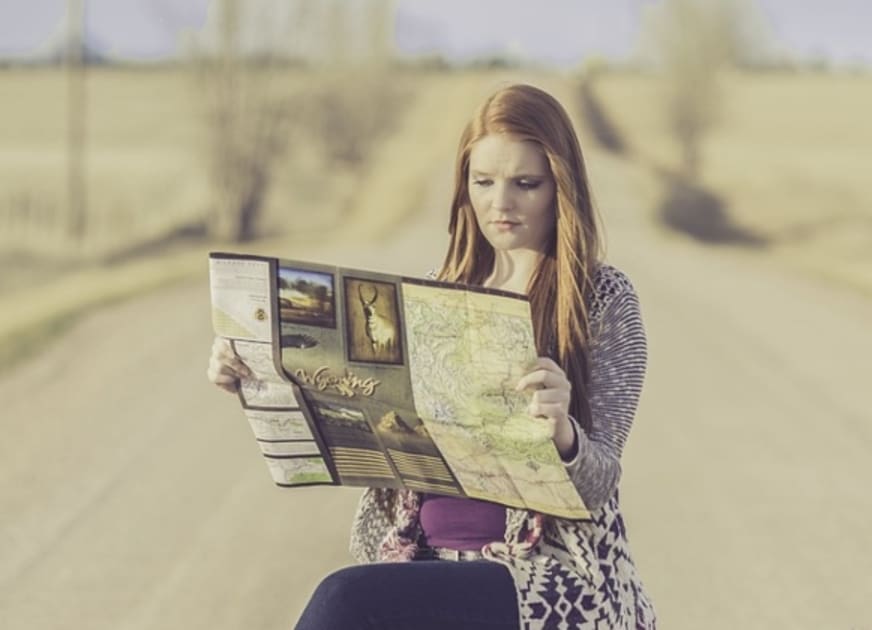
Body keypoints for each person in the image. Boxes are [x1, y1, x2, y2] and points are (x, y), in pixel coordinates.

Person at [206, 83, 656, 629]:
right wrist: (256, 374)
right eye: (483, 181)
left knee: (345, 602)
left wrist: (563, 433)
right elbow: (355, 414)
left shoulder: (603, 300)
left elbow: (599, 482)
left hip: (543, 578)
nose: (500, 203)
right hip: (419, 557)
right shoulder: (428, 295)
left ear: (561, 187)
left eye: (526, 184)